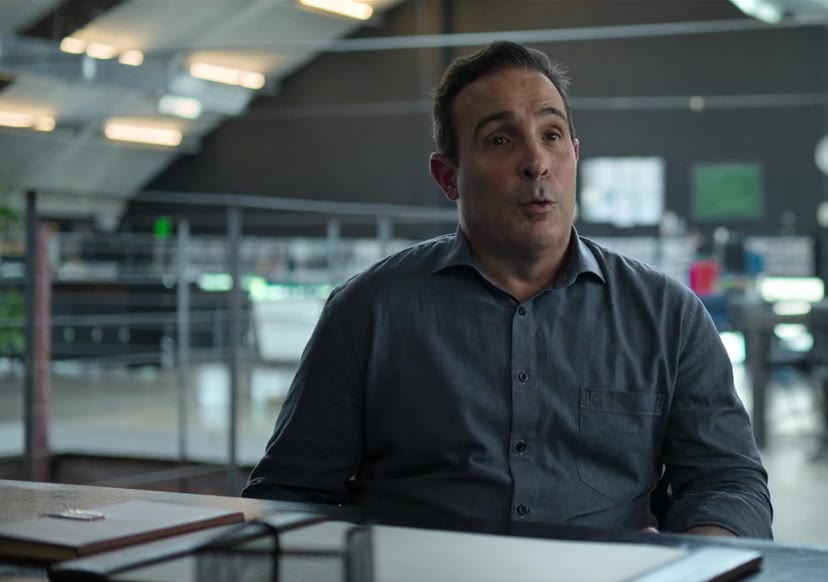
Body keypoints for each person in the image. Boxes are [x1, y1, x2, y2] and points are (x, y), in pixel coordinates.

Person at [242, 41, 773, 539]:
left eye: (552, 135)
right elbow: (291, 492)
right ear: (448, 177)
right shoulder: (369, 313)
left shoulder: (667, 316)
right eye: (500, 139)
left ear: (575, 155)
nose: (536, 162)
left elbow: (728, 484)